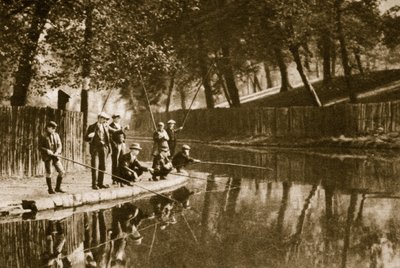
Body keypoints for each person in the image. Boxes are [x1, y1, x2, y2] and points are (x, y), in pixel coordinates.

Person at [85, 112, 112, 190]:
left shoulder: (106, 127)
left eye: (105, 119)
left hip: (104, 149)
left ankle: (100, 183)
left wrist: (122, 129)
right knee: (95, 166)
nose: (104, 120)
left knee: (102, 166)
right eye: (103, 118)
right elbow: (86, 138)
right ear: (99, 118)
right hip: (95, 149)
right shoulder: (92, 127)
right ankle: (94, 184)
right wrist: (90, 136)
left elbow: (114, 132)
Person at [39, 121, 66, 194]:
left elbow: (59, 145)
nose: (54, 130)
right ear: (48, 128)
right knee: (49, 172)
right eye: (52, 128)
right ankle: (50, 189)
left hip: (55, 156)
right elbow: (40, 147)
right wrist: (47, 150)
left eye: (55, 129)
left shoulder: (56, 135)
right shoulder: (43, 136)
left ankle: (58, 188)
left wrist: (57, 152)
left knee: (62, 172)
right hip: (48, 157)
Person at [109, 114, 129, 184]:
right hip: (116, 145)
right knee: (115, 162)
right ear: (113, 118)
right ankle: (114, 178)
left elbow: (123, 134)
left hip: (122, 145)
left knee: (122, 161)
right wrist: (114, 145)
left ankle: (120, 178)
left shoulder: (120, 126)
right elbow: (110, 137)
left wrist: (123, 142)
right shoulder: (111, 126)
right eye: (116, 118)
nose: (118, 119)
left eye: (119, 118)